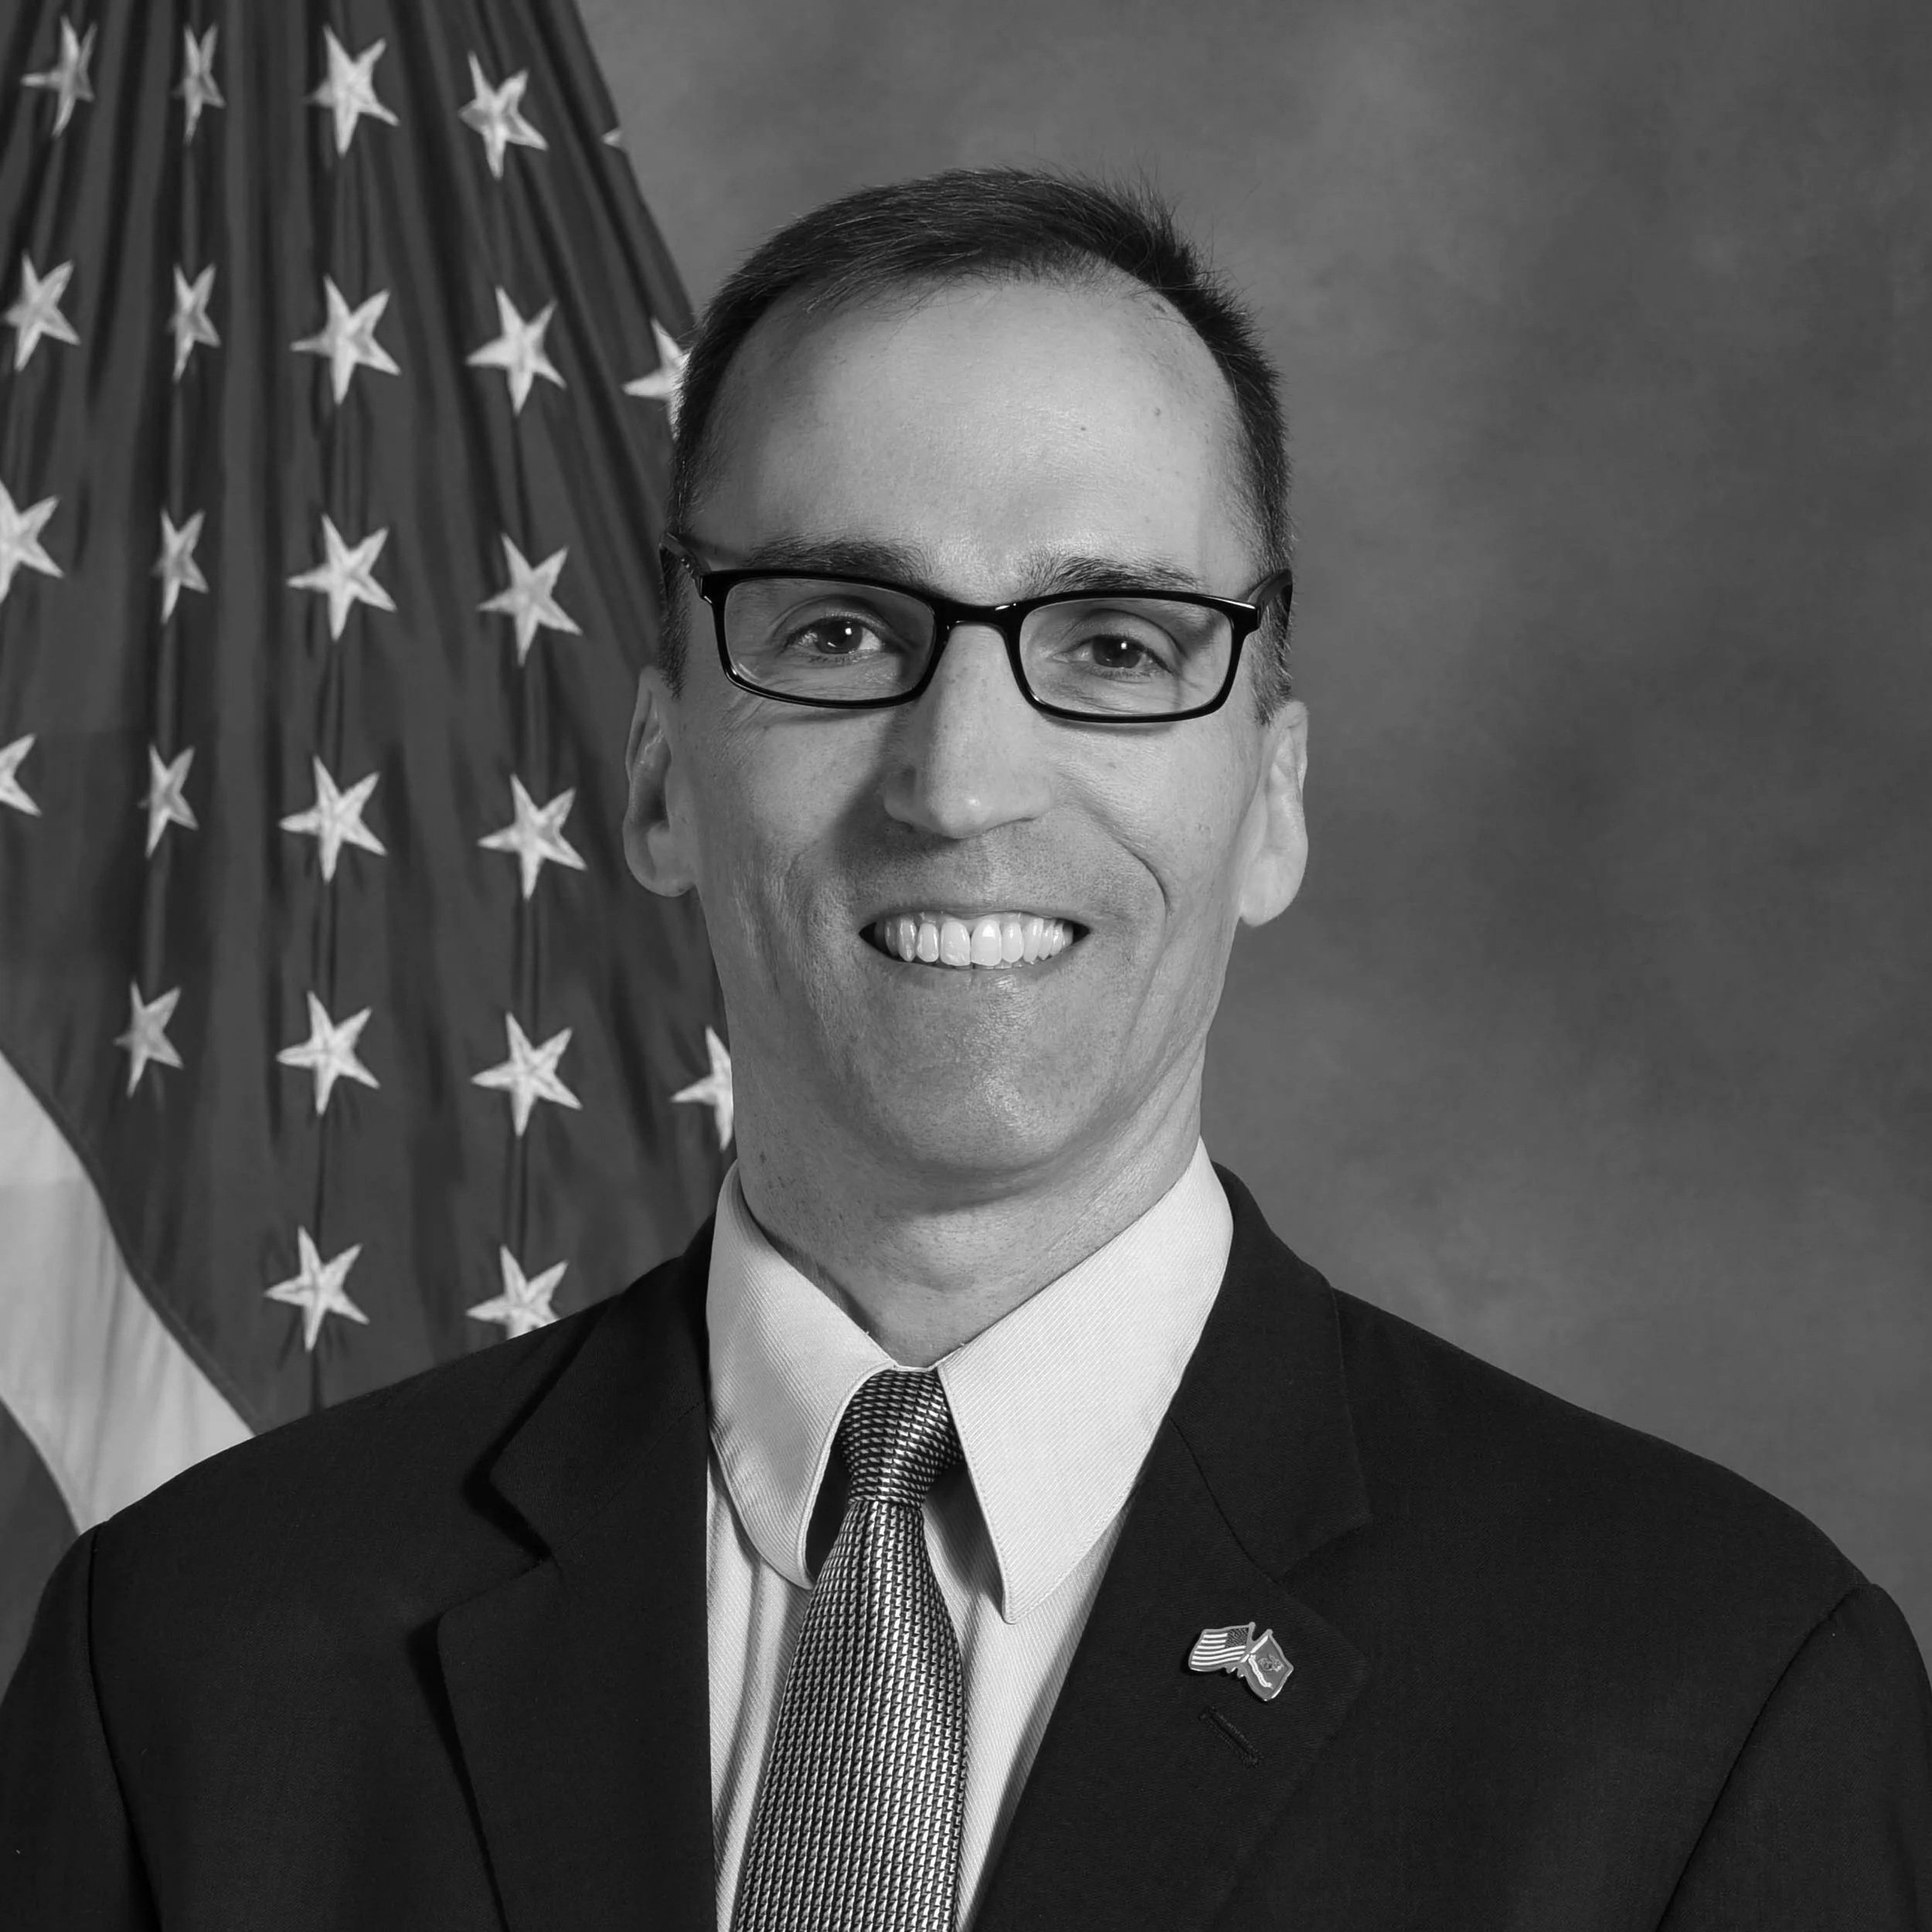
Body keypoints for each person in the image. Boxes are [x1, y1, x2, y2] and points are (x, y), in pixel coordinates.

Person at [2, 167, 1928, 1931]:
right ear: (658, 772)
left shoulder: (1705, 1697)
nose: (960, 778)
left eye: (1112, 643)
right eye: (841, 632)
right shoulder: (190, 1660)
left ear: (1270, 798)